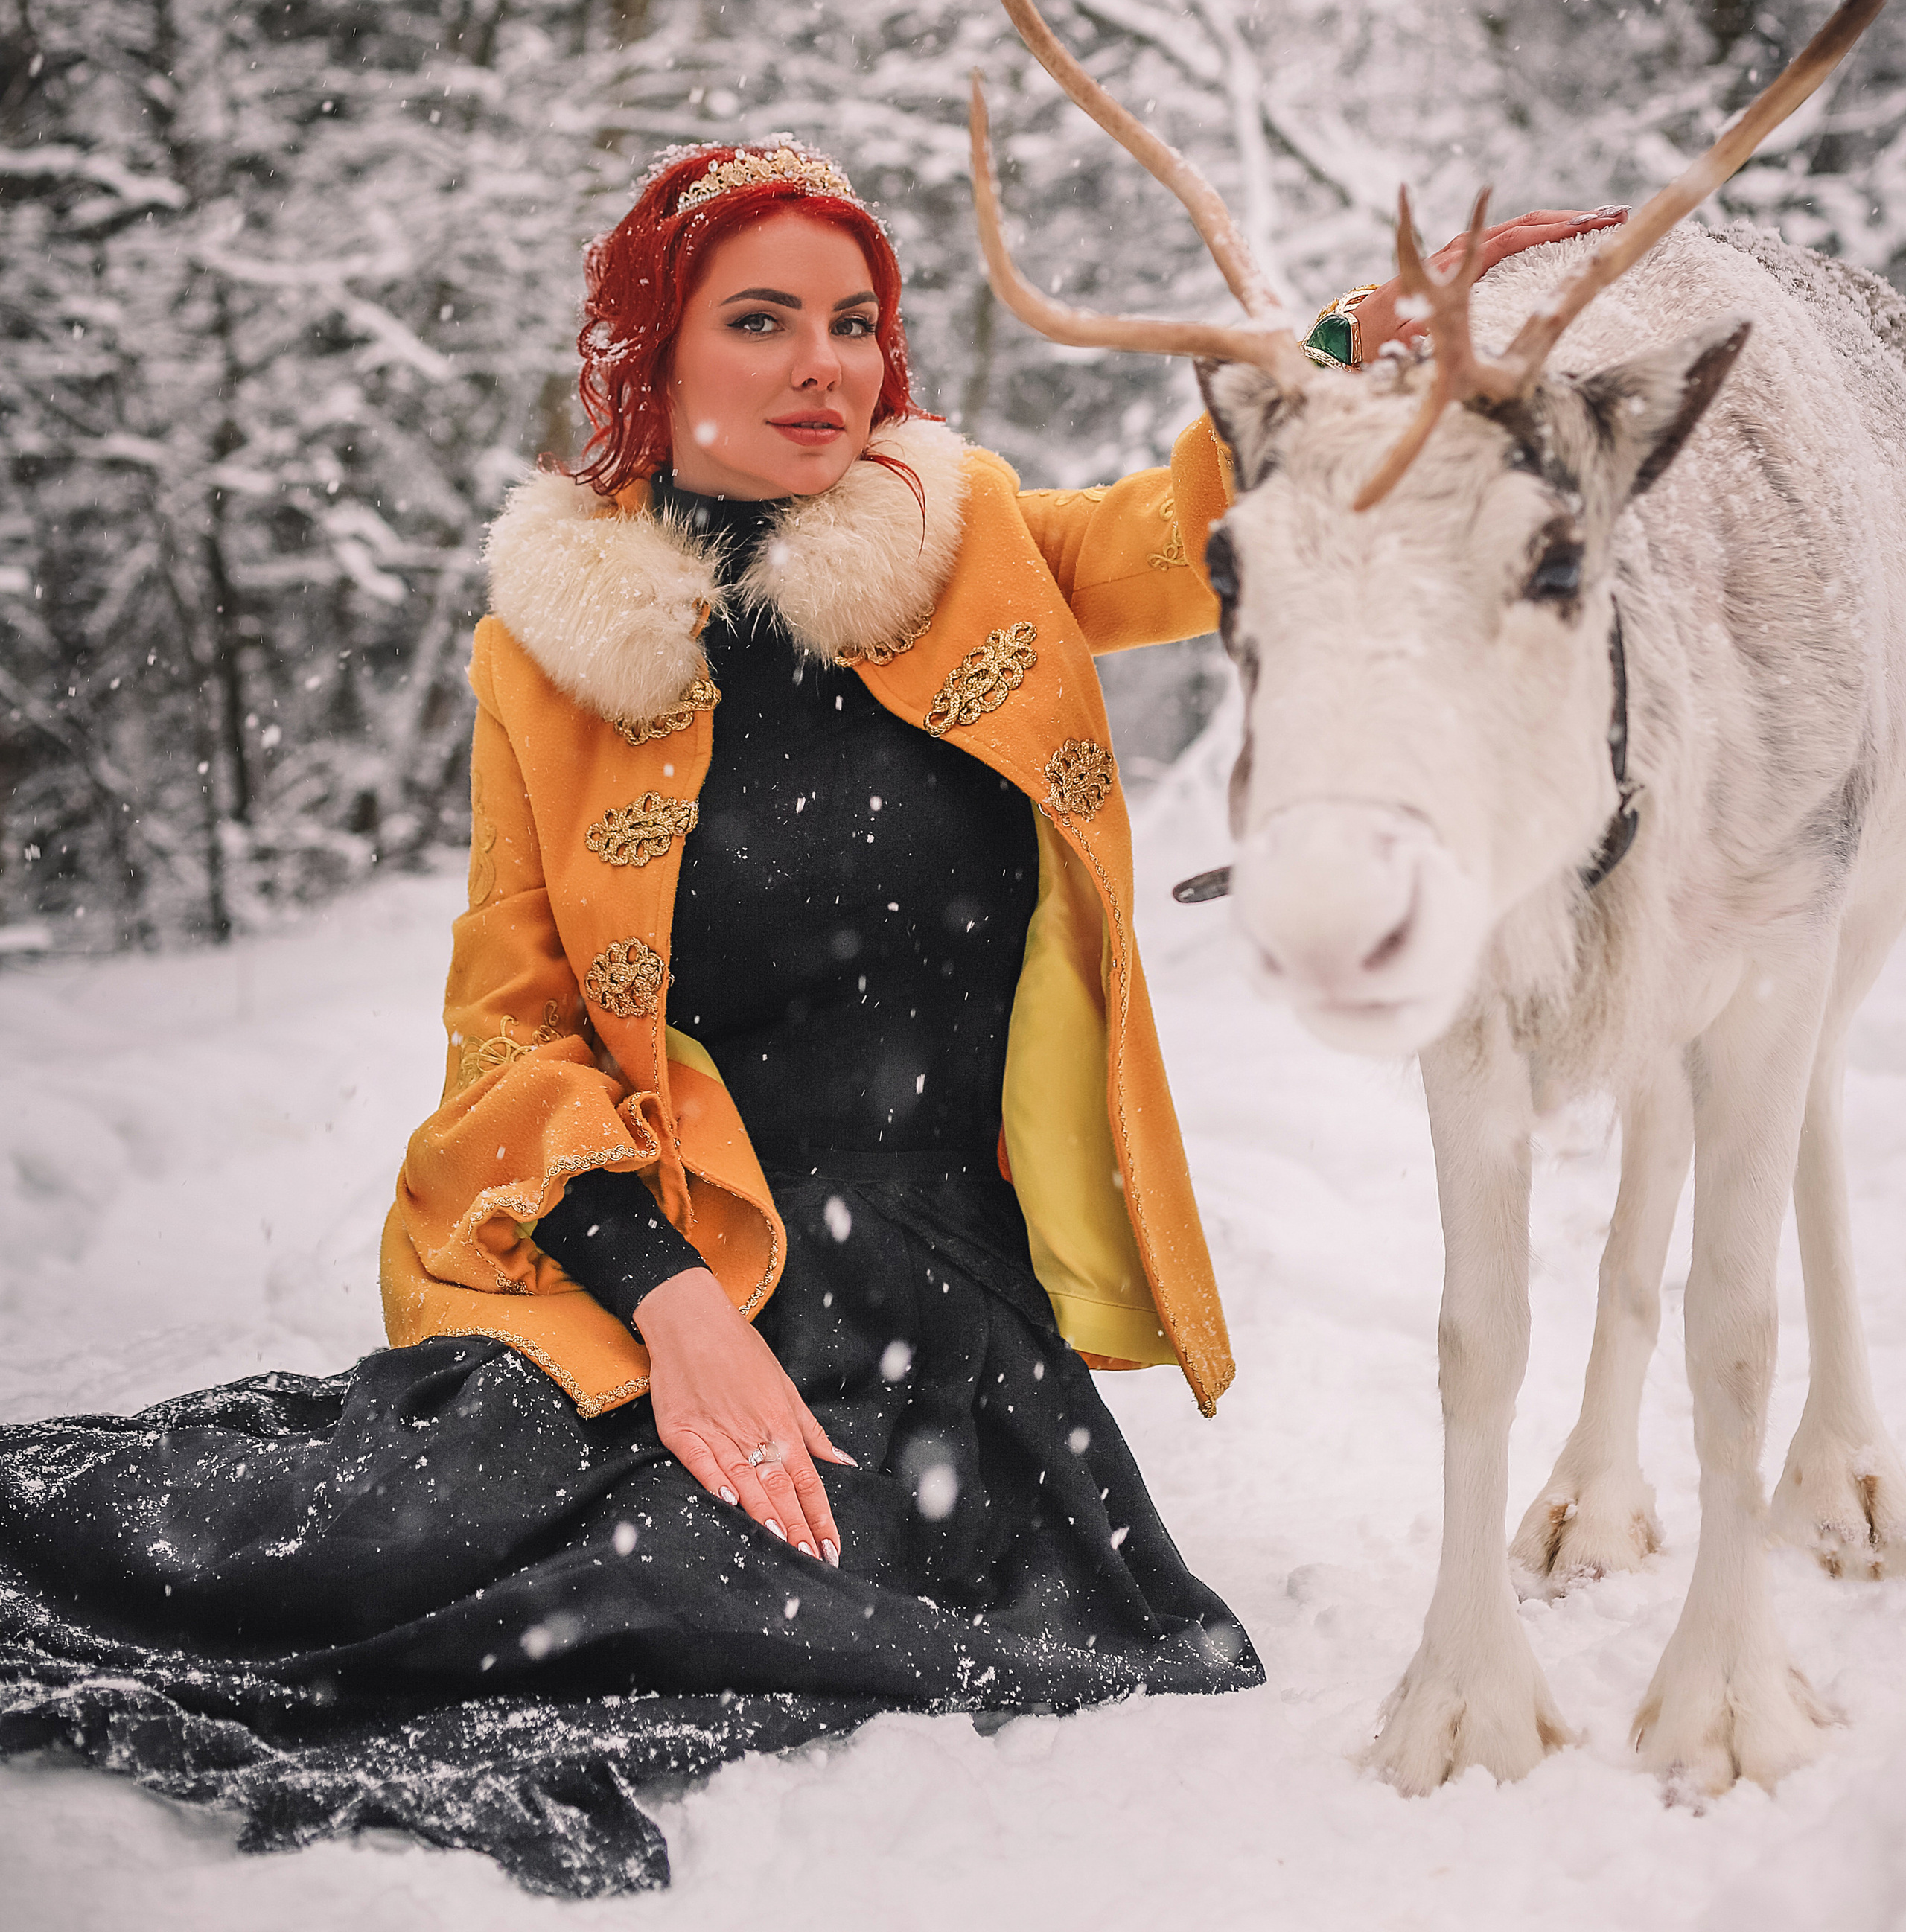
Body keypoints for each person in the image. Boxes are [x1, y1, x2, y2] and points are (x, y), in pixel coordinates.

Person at [0, 141, 1616, 1896]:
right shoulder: (547, 658)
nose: (821, 365)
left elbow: (1197, 526)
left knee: (686, 1594)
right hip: (673, 1256)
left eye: (852, 322)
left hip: (944, 1300)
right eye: (758, 320)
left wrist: (1344, 332)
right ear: (654, 353)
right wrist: (674, 1307)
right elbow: (511, 1037)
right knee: (381, 1546)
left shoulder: (966, 536)